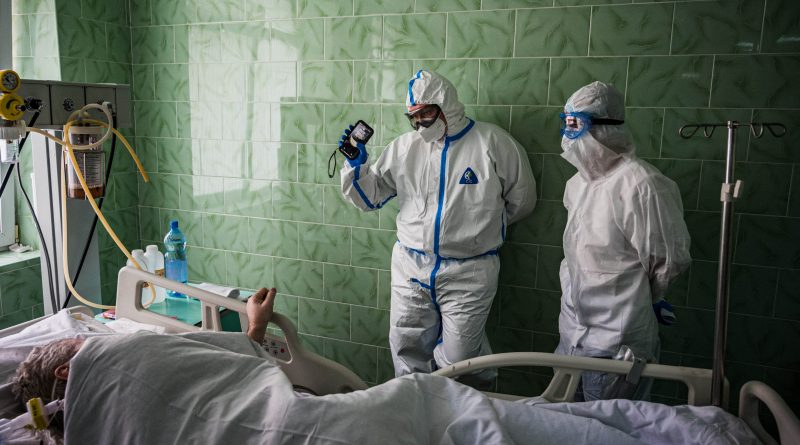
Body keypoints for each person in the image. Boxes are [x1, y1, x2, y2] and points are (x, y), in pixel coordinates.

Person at [339, 70, 537, 388]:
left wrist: (477, 230)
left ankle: (462, 410)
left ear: (446, 105)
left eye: (426, 113)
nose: (420, 123)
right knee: (407, 349)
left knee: (463, 358)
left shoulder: (493, 142)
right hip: (410, 266)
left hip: (470, 271)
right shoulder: (404, 148)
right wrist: (355, 166)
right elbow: (369, 198)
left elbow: (522, 200)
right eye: (413, 117)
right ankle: (415, 411)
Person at [554, 81, 692, 401]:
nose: (568, 136)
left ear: (605, 129)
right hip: (572, 332)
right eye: (566, 124)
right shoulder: (577, 184)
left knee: (609, 422)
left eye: (577, 125)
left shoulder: (641, 185)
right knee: (568, 418)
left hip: (617, 338)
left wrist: (647, 298)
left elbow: (669, 260)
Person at [10, 287, 277, 438]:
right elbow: (229, 361)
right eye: (80, 343)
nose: (94, 341)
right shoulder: (129, 352)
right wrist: (256, 324)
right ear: (66, 370)